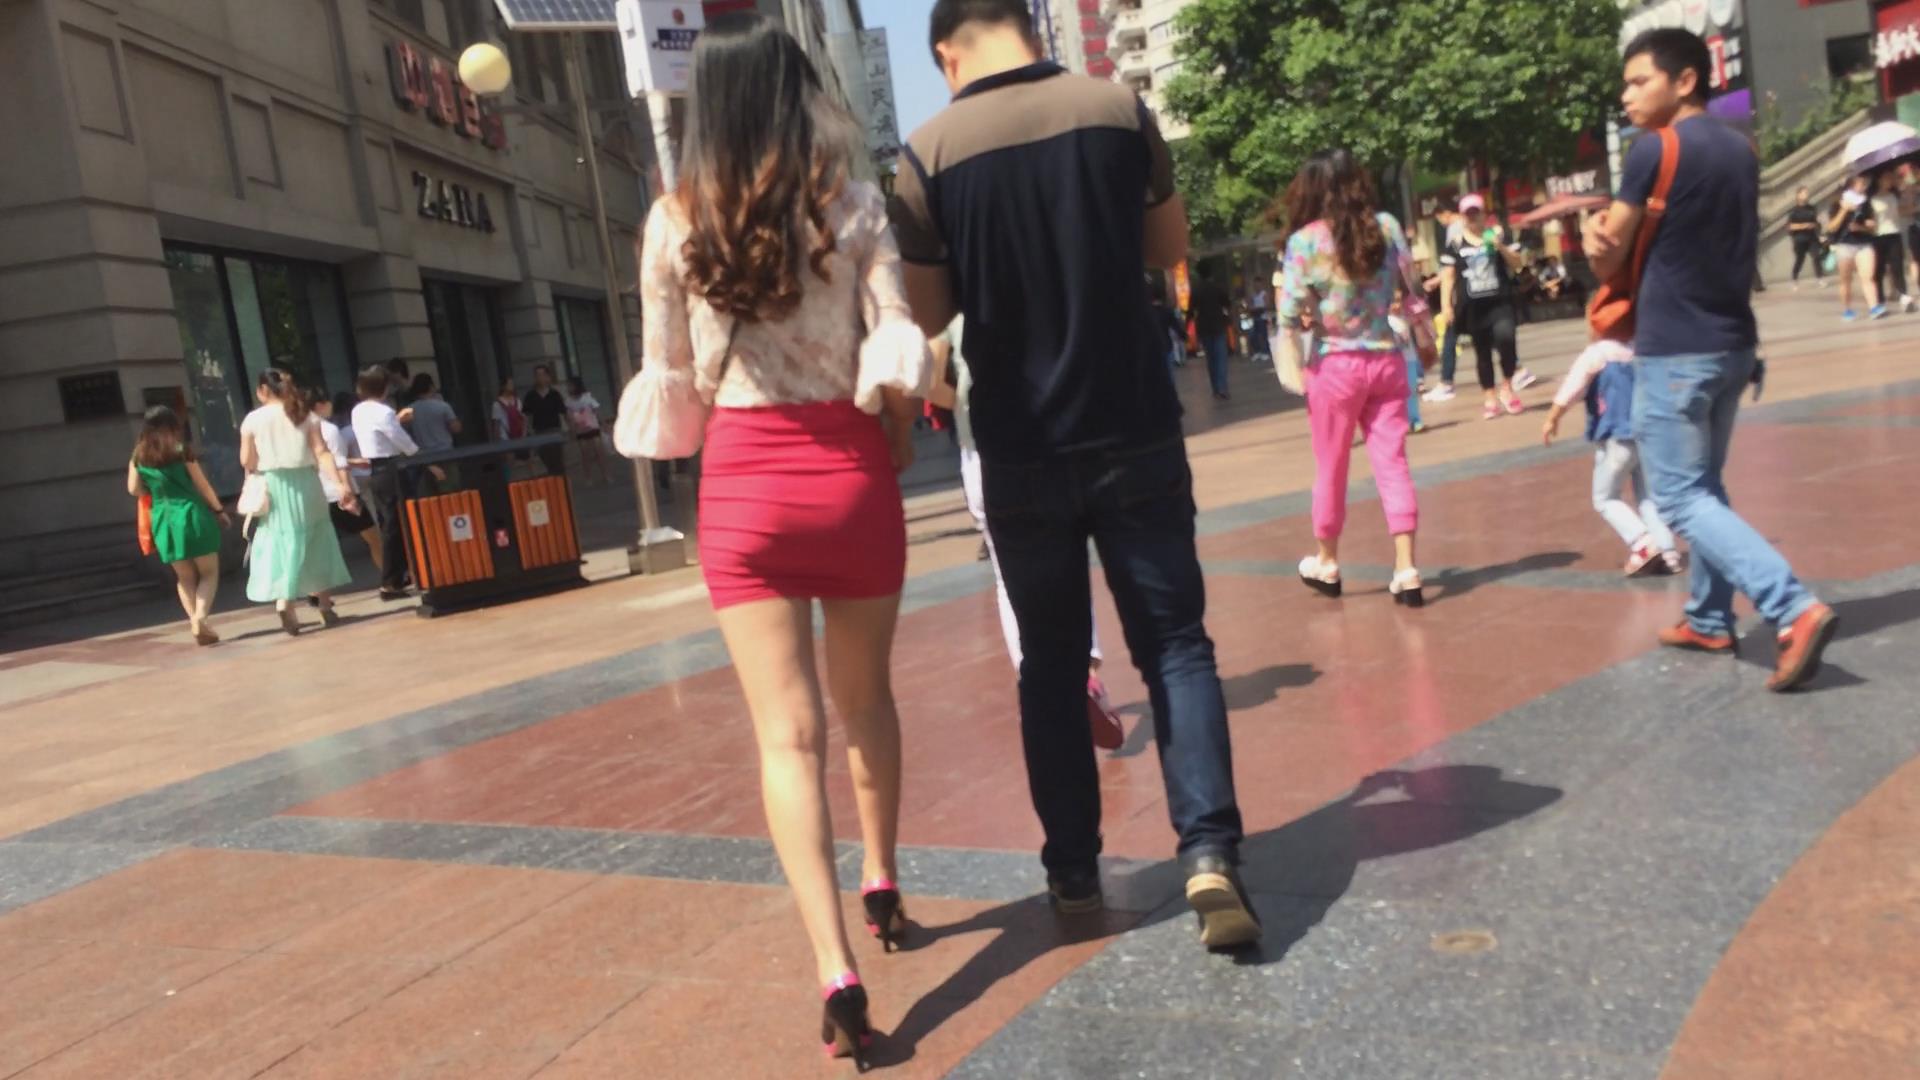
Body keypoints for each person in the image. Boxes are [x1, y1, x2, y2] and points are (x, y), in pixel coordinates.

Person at [893, 0, 1259, 951]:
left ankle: (1072, 872)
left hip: (1019, 445)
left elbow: (928, 313)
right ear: (1026, 23)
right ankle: (1210, 853)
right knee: (1176, 647)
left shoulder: (926, 154)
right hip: (1132, 423)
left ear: (947, 53)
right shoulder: (1118, 109)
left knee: (1051, 668)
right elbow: (1168, 249)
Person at [618, 14, 929, 1062]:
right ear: (799, 97)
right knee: (866, 702)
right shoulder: (852, 206)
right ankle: (882, 877)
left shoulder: (673, 224)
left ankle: (833, 965)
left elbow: (670, 384)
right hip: (848, 473)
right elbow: (894, 342)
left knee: (785, 739)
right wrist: (894, 434)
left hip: (744, 489)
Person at [1584, 27, 1836, 692]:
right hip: (1733, 343)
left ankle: (1791, 607)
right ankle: (1708, 617)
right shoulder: (1740, 149)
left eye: (1640, 81)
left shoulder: (1653, 150)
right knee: (1705, 486)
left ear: (1686, 80)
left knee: (1676, 495)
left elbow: (1609, 254)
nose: (1627, 95)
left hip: (1675, 347)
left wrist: (1593, 241)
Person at [926, 316, 1127, 749]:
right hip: (1045, 438)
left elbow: (928, 378)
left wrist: (962, 402)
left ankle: (1036, 683)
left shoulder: (952, 305)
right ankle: (1086, 676)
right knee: (1070, 554)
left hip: (980, 454)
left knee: (1007, 577)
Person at [1278, 150, 1433, 607]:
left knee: (1331, 465)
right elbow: (1412, 289)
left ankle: (1327, 561)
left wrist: (1308, 316)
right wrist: (1424, 334)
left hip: (1335, 365)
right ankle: (1406, 568)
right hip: (1387, 359)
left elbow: (1289, 311)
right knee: (1393, 462)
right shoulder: (1385, 226)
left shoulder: (1305, 242)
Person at [1542, 339, 1683, 577]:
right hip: (1648, 435)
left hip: (1617, 437)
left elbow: (1572, 387)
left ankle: (1642, 542)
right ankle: (1667, 551)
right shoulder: (1642, 346)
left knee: (1604, 497)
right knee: (1648, 497)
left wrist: (1553, 417)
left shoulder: (1598, 353)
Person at [239, 369, 355, 635]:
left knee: (282, 543)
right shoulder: (305, 415)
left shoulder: (253, 420)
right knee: (316, 540)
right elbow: (322, 453)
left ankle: (285, 601)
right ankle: (324, 606)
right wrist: (339, 484)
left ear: (263, 391)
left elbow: (247, 461)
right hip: (307, 484)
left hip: (274, 486)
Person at [127, 406, 229, 645]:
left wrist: (153, 490)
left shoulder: (138, 455)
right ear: (173, 425)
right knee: (209, 572)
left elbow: (133, 489)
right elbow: (203, 485)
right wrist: (219, 510)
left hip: (163, 519)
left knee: (184, 577)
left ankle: (195, 621)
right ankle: (200, 618)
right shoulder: (181, 450)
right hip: (191, 513)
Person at [1443, 194, 1528, 420]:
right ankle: (1490, 397)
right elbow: (1448, 277)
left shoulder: (1498, 235)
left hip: (1500, 302)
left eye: (1476, 213)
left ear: (1484, 215)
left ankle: (1507, 387)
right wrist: (1446, 306)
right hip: (1473, 307)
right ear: (1463, 217)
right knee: (1482, 353)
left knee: (1506, 339)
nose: (1473, 218)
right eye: (1468, 214)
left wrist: (1500, 246)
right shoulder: (1456, 243)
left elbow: (1518, 263)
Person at [350, 366, 422, 601]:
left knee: (389, 523)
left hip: (376, 470)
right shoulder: (384, 411)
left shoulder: (358, 411)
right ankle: (393, 580)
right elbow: (403, 443)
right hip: (392, 468)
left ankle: (397, 577)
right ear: (384, 387)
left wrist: (396, 420)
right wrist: (421, 456)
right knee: (398, 524)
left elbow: (378, 432)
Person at [313, 391, 382, 575]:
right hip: (338, 491)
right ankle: (390, 579)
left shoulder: (299, 430)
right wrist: (346, 487)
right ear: (320, 405)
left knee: (318, 547)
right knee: (374, 538)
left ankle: (317, 588)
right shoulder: (328, 429)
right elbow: (339, 461)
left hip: (315, 492)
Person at [1828, 175, 1880, 321]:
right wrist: (1844, 210)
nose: (1864, 186)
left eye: (1864, 184)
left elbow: (1873, 226)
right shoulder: (1838, 203)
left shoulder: (1865, 202)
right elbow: (1831, 227)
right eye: (1861, 184)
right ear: (1851, 186)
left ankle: (1874, 307)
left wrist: (1865, 226)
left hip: (1864, 243)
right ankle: (1847, 309)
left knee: (1868, 277)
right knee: (1846, 280)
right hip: (1845, 244)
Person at [1869, 168, 1915, 313]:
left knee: (1897, 266)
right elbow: (1869, 219)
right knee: (1879, 269)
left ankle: (1904, 296)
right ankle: (1879, 299)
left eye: (1891, 178)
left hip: (1894, 233)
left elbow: (1901, 211)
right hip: (1878, 236)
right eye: (1887, 178)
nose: (1890, 181)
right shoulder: (1872, 198)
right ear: (1879, 180)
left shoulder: (1894, 195)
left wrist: (1912, 204)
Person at [1189, 265, 1232, 399]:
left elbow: (1191, 310)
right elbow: (1227, 303)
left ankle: (1215, 388)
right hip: (1218, 325)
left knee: (1211, 359)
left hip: (1204, 328)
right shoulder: (1217, 287)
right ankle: (1222, 387)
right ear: (1211, 274)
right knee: (1220, 358)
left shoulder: (1196, 290)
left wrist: (1186, 327)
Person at [563, 376, 612, 485]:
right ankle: (588, 477)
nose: (568, 387)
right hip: (580, 430)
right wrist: (572, 430)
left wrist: (603, 424)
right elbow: (569, 416)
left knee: (599, 452)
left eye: (570, 385)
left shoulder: (587, 397)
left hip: (593, 427)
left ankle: (606, 475)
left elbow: (597, 411)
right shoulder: (568, 401)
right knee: (585, 454)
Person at [522, 364, 568, 475]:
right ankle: (553, 478)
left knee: (557, 461)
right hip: (539, 432)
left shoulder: (554, 394)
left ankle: (561, 480)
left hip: (554, 430)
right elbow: (526, 416)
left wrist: (570, 429)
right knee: (547, 460)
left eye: (542, 375)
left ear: (547, 376)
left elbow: (564, 412)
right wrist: (525, 433)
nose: (540, 377)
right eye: (537, 375)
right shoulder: (530, 395)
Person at [405, 374, 462, 453]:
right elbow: (456, 429)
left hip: (423, 454)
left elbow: (405, 433)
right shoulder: (443, 406)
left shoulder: (408, 410)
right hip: (445, 451)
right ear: (431, 387)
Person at [1785, 186, 1825, 289]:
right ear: (1798, 195)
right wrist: (1804, 226)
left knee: (1816, 256)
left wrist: (1818, 231)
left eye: (1807, 193)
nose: (1806, 195)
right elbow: (1790, 227)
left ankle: (1820, 278)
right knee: (1800, 259)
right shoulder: (1793, 211)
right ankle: (1794, 278)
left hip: (1812, 238)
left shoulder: (1812, 208)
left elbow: (1817, 222)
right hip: (1799, 239)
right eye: (1804, 193)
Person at [491, 376, 527, 442]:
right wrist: (496, 441)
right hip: (505, 438)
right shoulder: (497, 404)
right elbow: (496, 425)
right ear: (503, 386)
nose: (512, 386)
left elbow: (523, 418)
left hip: (520, 437)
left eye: (512, 384)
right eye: (510, 384)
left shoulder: (517, 401)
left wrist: (524, 434)